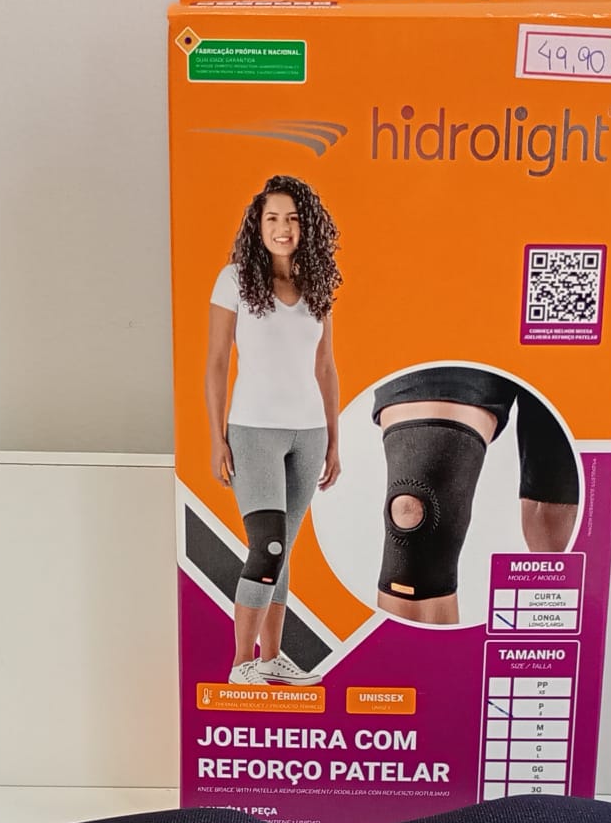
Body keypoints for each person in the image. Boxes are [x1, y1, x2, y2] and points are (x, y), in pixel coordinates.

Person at [206, 175, 342, 684]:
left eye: (292, 218)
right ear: (258, 225)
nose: (282, 228)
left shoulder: (317, 285)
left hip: (308, 433)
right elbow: (217, 362)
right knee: (268, 546)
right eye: (272, 218)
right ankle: (241, 664)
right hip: (253, 431)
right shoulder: (235, 279)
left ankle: (271, 660)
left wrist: (334, 439)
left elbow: (325, 366)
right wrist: (216, 437)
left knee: (283, 552)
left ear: (307, 226)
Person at [373, 365, 579, 626]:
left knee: (557, 526)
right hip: (458, 338)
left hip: (573, 346)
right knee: (415, 511)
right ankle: (415, 652)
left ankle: (551, 644)